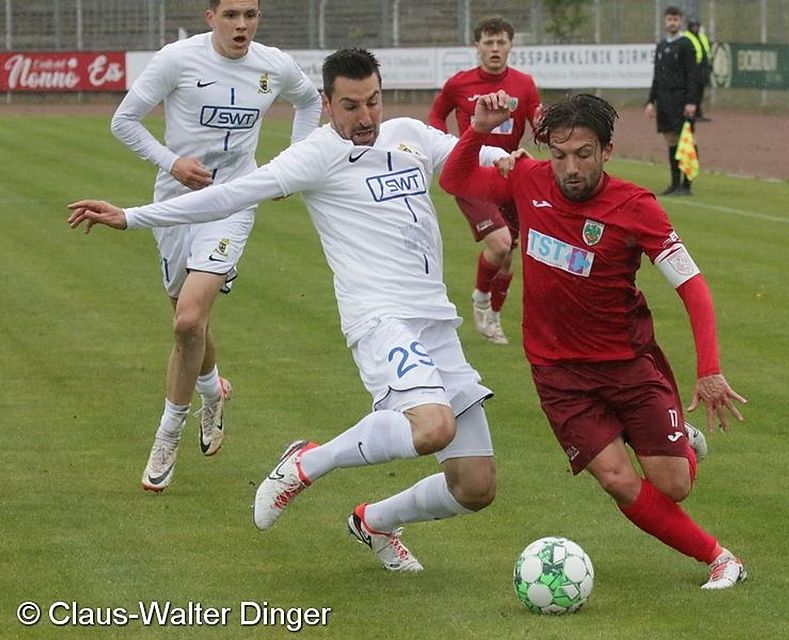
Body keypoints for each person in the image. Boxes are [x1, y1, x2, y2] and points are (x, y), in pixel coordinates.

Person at [69, 48, 514, 573]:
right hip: (379, 318)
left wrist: (497, 145)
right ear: (325, 104)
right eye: (350, 106)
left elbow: (476, 156)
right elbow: (228, 196)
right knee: (432, 428)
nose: (366, 117)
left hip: (435, 320)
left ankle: (375, 522)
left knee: (475, 485)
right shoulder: (316, 155)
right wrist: (132, 216)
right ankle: (306, 461)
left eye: (373, 101)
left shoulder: (409, 135)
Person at [439, 91, 749, 589]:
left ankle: (673, 441)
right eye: (559, 155)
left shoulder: (637, 207)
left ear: (606, 150)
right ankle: (720, 559)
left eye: (583, 154)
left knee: (674, 485)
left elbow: (692, 286)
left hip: (628, 363)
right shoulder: (526, 179)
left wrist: (709, 369)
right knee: (618, 479)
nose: (570, 168)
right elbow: (454, 180)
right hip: (559, 373)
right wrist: (477, 130)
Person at [109, 0, 322, 492]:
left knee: (188, 320)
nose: (242, 25)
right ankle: (212, 390)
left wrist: (292, 161)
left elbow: (310, 102)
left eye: (250, 14)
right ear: (211, 18)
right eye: (231, 15)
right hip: (176, 204)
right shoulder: (177, 59)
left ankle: (167, 437)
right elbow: (124, 121)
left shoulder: (273, 65)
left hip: (235, 202)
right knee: (188, 326)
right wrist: (171, 162)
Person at [428, 16, 541, 345]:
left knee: (507, 258)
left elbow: (537, 119)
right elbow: (437, 114)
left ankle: (493, 317)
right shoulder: (458, 84)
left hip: (509, 176)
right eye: (488, 43)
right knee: (500, 243)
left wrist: (546, 125)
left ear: (510, 45)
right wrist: (444, 145)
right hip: (473, 173)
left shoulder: (524, 84)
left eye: (500, 42)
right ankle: (480, 297)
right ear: (476, 46)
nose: (494, 48)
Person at [644, 5, 699, 196]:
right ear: (665, 21)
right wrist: (650, 101)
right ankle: (675, 183)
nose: (672, 23)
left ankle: (687, 184)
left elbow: (694, 75)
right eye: (669, 19)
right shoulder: (661, 46)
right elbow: (657, 76)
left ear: (680, 21)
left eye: (675, 19)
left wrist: (692, 101)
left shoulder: (686, 44)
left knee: (687, 140)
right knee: (670, 140)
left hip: (681, 100)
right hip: (664, 100)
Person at [684, 18, 712, 121]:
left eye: (696, 26)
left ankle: (698, 113)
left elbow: (706, 51)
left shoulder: (702, 37)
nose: (695, 28)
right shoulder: (686, 37)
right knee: (693, 92)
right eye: (693, 26)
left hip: (703, 69)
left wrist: (709, 65)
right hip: (693, 68)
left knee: (700, 91)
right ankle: (692, 114)